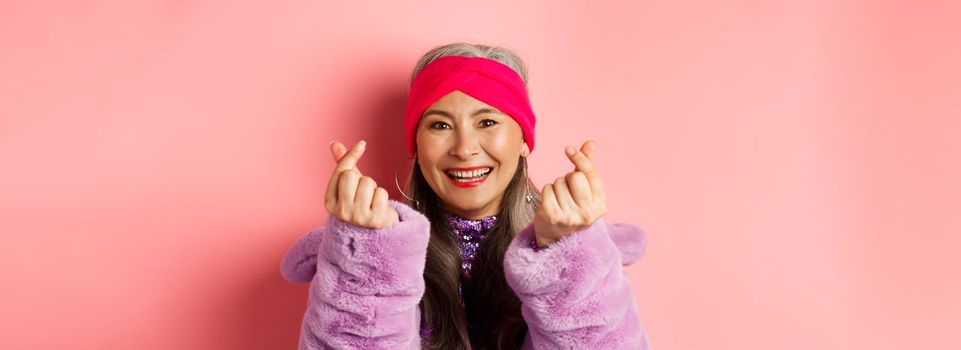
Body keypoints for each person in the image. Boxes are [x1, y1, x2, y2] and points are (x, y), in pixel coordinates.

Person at [281, 42, 652, 349]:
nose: (464, 148)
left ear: (523, 140)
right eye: (440, 125)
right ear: (417, 145)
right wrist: (366, 260)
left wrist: (569, 256)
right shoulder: (370, 250)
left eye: (487, 122)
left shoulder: (583, 249)